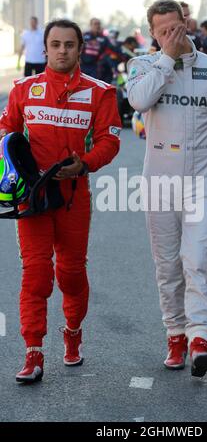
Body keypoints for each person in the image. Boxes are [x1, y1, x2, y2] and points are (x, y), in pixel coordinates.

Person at [127, 0, 207, 378]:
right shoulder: (141, 66)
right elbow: (138, 101)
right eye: (163, 31)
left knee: (197, 260)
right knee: (168, 266)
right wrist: (166, 57)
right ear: (152, 33)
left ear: (187, 22)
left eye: (177, 28)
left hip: (202, 181)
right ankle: (175, 334)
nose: (172, 35)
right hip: (159, 182)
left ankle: (200, 337)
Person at [0, 19, 121, 383]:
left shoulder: (101, 92)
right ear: (45, 49)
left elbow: (110, 141)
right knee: (36, 276)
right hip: (32, 197)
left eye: (69, 44)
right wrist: (11, 163)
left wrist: (83, 164)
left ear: (80, 48)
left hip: (73, 197)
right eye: (56, 44)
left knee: (70, 274)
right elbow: (6, 129)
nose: (62, 50)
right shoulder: (23, 89)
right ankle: (33, 351)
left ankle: (72, 332)